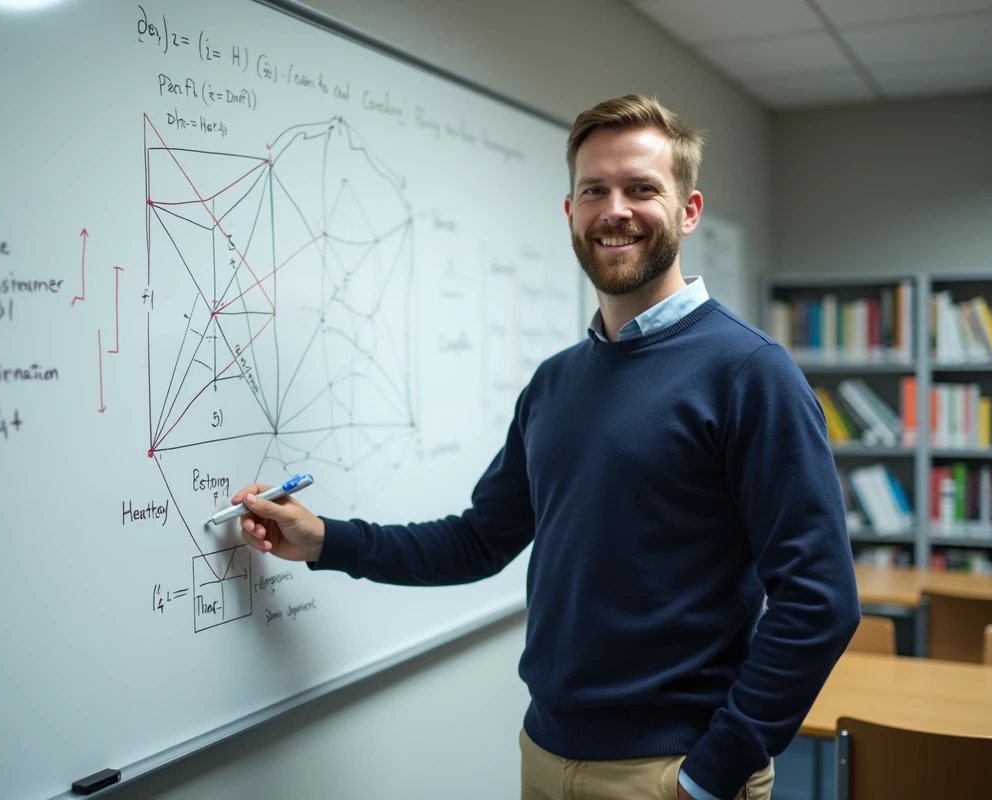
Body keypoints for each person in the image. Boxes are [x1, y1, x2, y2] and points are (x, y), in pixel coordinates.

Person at [230, 94, 861, 800]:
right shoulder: (556, 382)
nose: (614, 209)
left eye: (641, 188)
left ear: (688, 211)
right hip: (544, 751)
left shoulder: (749, 373)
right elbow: (479, 540)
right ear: (571, 213)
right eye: (594, 190)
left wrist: (711, 774)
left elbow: (820, 600)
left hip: (672, 772)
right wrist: (323, 541)